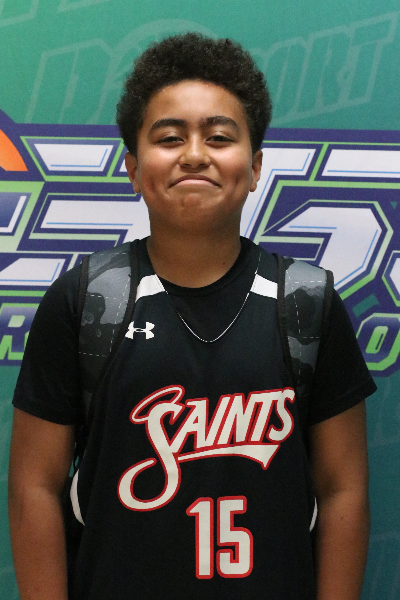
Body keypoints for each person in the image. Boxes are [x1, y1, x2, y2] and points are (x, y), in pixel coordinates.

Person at [8, 33, 376, 600]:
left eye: (220, 137)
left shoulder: (308, 301)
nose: (196, 154)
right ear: (133, 168)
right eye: (170, 137)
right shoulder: (86, 299)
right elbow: (34, 484)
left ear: (255, 167)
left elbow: (342, 487)